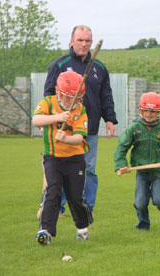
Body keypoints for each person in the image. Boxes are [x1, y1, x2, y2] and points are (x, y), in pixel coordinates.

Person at [44, 25, 118, 213]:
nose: (84, 44)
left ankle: (87, 208)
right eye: (80, 40)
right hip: (63, 128)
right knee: (59, 169)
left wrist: (110, 119)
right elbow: (49, 95)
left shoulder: (99, 68)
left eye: (87, 41)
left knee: (89, 170)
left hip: (89, 128)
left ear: (92, 43)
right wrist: (53, 118)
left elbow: (106, 95)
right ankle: (57, 208)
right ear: (71, 41)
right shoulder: (60, 65)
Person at [34, 71, 93, 245]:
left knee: (75, 197)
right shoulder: (48, 102)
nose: (71, 102)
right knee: (53, 192)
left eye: (75, 98)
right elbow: (36, 120)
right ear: (59, 92)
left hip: (75, 159)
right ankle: (46, 231)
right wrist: (57, 117)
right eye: (67, 97)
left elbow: (79, 138)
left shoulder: (80, 110)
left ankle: (82, 228)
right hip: (52, 157)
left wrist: (66, 138)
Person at [114, 92, 160, 230]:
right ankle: (143, 225)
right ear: (140, 110)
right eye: (145, 111)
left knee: (158, 199)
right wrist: (121, 165)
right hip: (141, 170)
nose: (149, 114)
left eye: (153, 112)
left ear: (159, 112)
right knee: (140, 202)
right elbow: (121, 147)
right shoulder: (134, 128)